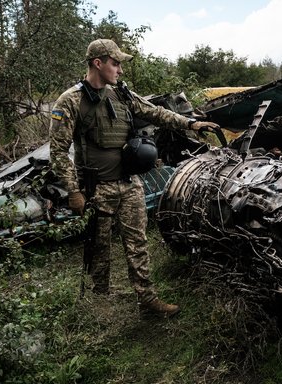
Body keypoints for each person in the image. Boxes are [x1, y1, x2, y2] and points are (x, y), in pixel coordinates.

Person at [49, 39, 219, 317]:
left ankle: (147, 301)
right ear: (98, 63)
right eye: (115, 63)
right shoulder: (70, 101)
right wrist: (73, 191)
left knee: (137, 244)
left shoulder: (122, 95)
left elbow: (156, 112)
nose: (120, 70)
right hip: (96, 188)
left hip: (129, 183)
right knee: (100, 248)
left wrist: (190, 123)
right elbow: (57, 150)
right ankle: (100, 303)